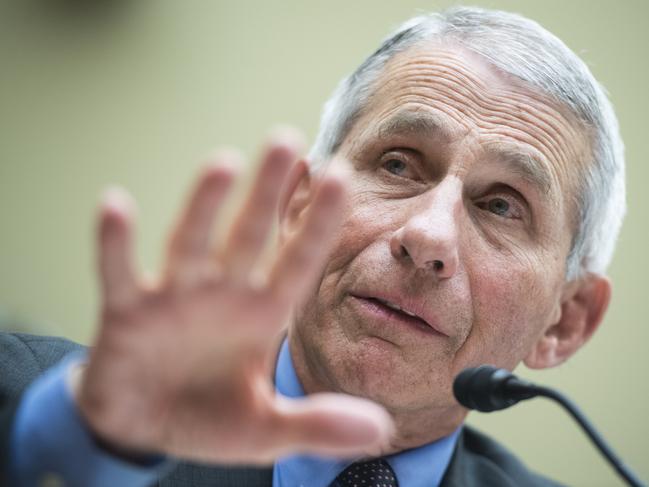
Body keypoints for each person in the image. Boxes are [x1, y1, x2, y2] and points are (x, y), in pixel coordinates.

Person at [1, 6, 625, 487]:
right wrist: (82, 443)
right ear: (301, 206)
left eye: (500, 206)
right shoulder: (39, 402)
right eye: (400, 164)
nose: (427, 236)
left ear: (564, 322)